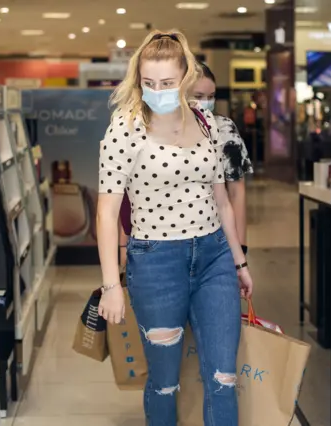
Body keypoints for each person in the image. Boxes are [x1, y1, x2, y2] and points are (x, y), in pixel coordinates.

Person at [96, 30, 254, 426]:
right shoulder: (125, 127)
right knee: (165, 381)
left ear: (185, 78)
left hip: (214, 256)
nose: (158, 91)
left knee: (223, 377)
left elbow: (221, 201)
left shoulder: (206, 124)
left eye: (167, 83)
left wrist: (238, 262)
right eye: (149, 83)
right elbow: (106, 211)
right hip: (156, 263)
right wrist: (111, 285)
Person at [190, 63, 253, 252]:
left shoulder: (224, 129)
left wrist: (241, 247)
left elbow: (237, 192)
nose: (205, 103)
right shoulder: (164, 131)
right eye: (198, 96)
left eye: (211, 97)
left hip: (217, 235)